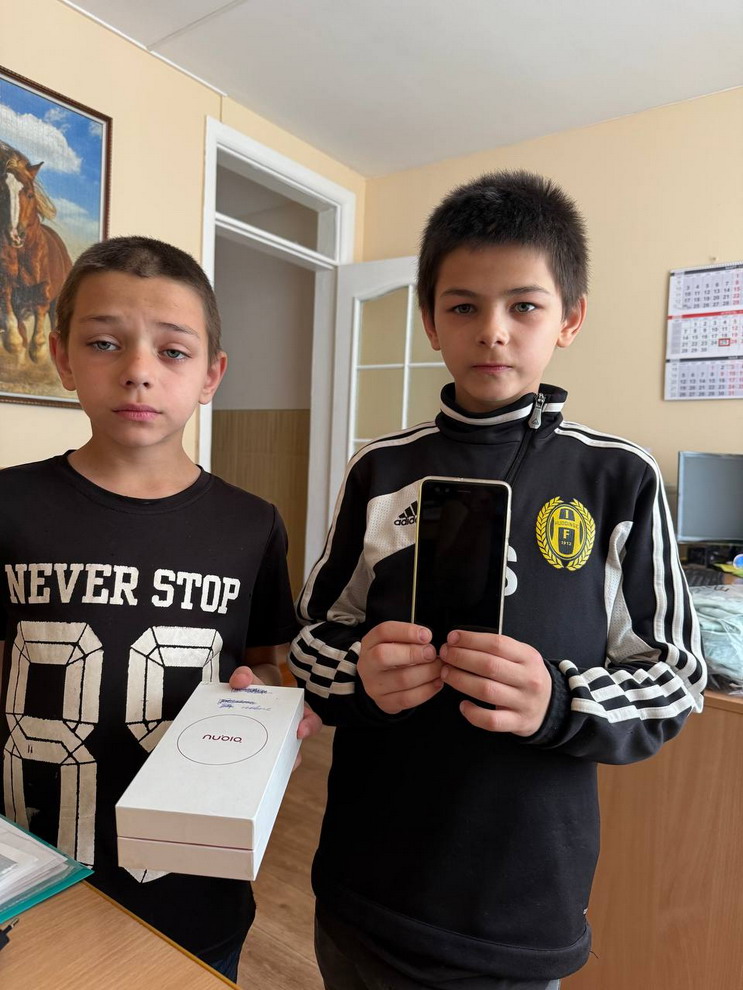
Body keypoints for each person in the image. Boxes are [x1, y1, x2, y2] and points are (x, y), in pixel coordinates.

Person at [288, 171, 706, 990]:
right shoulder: (381, 468)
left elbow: (676, 676)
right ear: (428, 320)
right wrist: (358, 673)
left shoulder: (616, 477)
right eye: (462, 306)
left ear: (569, 319)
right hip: (364, 883)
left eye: (524, 306)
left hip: (518, 905)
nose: (492, 331)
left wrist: (559, 701)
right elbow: (309, 640)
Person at [0, 236, 320, 981]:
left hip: (194, 889)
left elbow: (267, 667)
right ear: (62, 357)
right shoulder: (9, 504)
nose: (139, 370)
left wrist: (271, 718)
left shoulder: (252, 524)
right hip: (28, 874)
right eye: (104, 343)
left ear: (211, 375)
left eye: (173, 352)